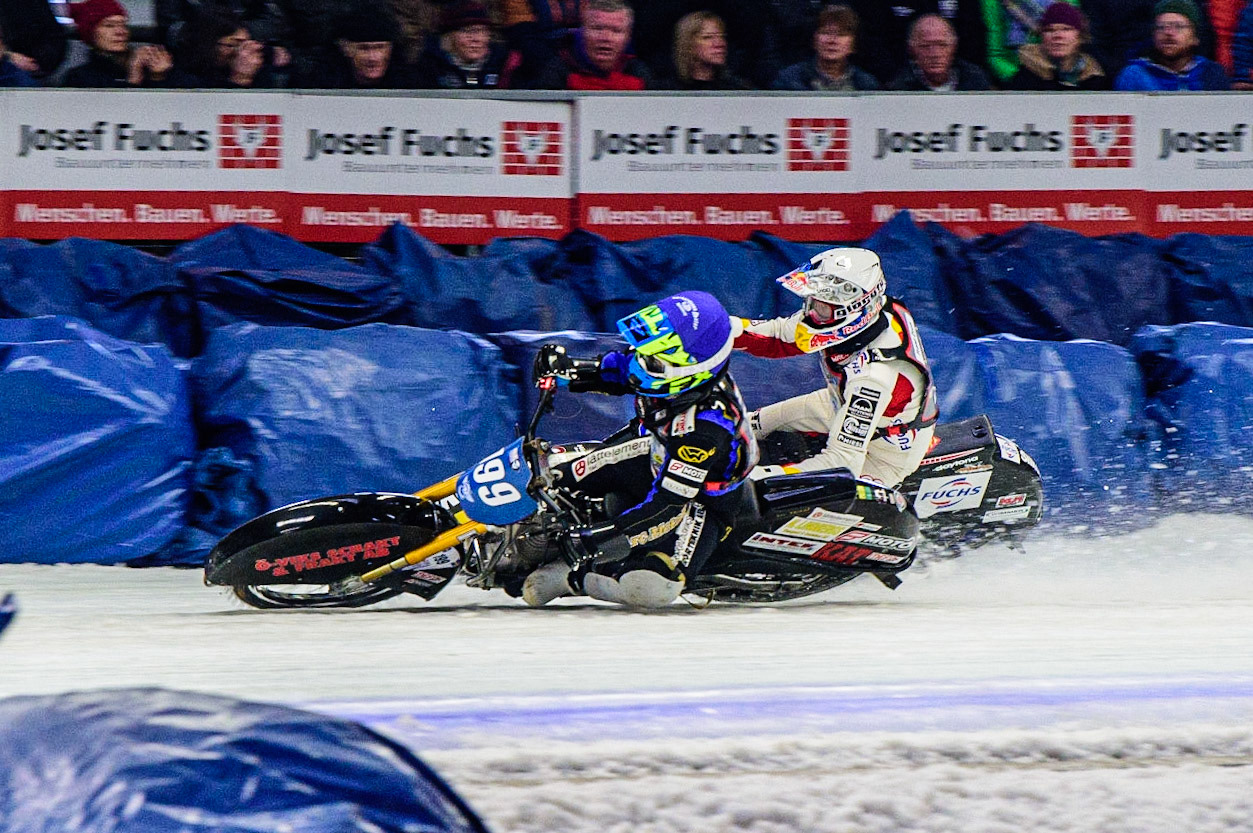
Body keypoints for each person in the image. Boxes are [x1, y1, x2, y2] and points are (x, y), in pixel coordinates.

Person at [522, 290, 759, 608]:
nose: (639, 366)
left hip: (700, 501)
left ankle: (572, 579)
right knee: (549, 475)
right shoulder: (671, 371)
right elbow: (623, 371)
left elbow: (668, 507)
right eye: (643, 352)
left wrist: (594, 542)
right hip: (654, 454)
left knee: (649, 588)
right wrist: (568, 370)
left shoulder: (707, 427)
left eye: (652, 360)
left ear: (690, 370)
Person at [732, 247, 938, 488]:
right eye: (811, 303)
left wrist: (756, 478)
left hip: (885, 455)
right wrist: (717, 329)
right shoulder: (869, 314)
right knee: (745, 426)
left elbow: (841, 464)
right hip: (839, 404)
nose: (809, 314)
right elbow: (778, 337)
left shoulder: (874, 377)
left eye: (820, 308)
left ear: (851, 312)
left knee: (788, 506)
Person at [63, 0, 191, 87]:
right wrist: (133, 79)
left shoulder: (150, 62)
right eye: (109, 25)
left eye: (123, 25)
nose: (120, 31)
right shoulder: (80, 78)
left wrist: (159, 77)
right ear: (91, 34)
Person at [531, 0, 653, 90]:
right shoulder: (557, 72)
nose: (606, 38)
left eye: (616, 31)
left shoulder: (639, 74)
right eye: (597, 28)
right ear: (582, 32)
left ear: (628, 37)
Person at [1115, 0, 1230, 89]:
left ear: (1195, 37)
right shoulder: (1134, 76)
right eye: (1161, 27)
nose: (1168, 33)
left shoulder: (1211, 73)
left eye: (1178, 26)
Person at [295, 6, 418, 88]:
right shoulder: (320, 83)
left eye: (380, 47)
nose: (373, 58)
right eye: (364, 49)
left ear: (391, 48)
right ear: (345, 48)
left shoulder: (412, 83)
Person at [414, 1, 521, 88]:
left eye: (481, 31)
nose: (476, 39)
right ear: (450, 37)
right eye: (467, 31)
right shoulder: (430, 68)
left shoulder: (505, 66)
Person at [772, 3, 879, 90]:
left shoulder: (866, 85)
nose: (832, 40)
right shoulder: (788, 80)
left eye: (841, 34)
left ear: (853, 45)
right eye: (826, 33)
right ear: (814, 40)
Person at [1008, 2, 1109, 89]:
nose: (1058, 36)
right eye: (1049, 30)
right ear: (1042, 37)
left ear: (1080, 37)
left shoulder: (1095, 79)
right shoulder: (1025, 79)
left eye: (1066, 29)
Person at [981, 0, 1081, 84]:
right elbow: (996, 55)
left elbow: (1075, 40)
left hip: (1063, 74)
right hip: (1016, 76)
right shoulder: (993, 3)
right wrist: (1021, 80)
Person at [178, 9, 283, 87]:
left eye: (246, 44)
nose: (242, 52)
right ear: (209, 44)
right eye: (233, 45)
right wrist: (239, 78)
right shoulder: (186, 78)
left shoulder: (259, 68)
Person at [887, 13, 993, 90]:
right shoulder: (899, 87)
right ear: (912, 49)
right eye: (925, 46)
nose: (935, 54)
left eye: (942, 45)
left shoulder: (975, 79)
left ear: (954, 46)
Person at [660, 10, 750, 90]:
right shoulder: (667, 91)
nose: (720, 44)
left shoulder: (738, 90)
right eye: (707, 37)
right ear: (688, 45)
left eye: (722, 36)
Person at [0, 0, 68, 80]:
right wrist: (8, 56)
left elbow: (53, 38)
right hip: (9, 64)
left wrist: (38, 62)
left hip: (38, 67)